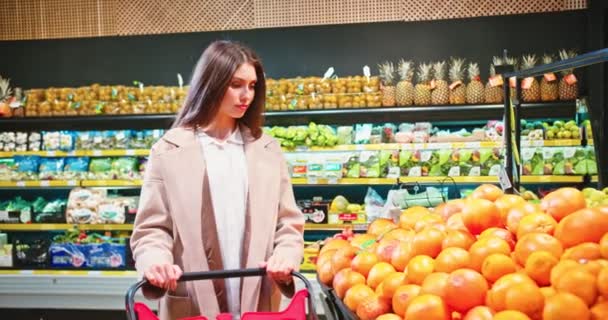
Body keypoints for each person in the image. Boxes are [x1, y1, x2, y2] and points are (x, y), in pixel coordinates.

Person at [130, 40, 305, 320]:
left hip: (258, 297)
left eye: (252, 86)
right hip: (191, 300)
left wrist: (285, 256)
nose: (245, 95)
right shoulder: (168, 150)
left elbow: (287, 224)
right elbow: (152, 228)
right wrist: (156, 262)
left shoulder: (268, 150)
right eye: (236, 84)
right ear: (212, 83)